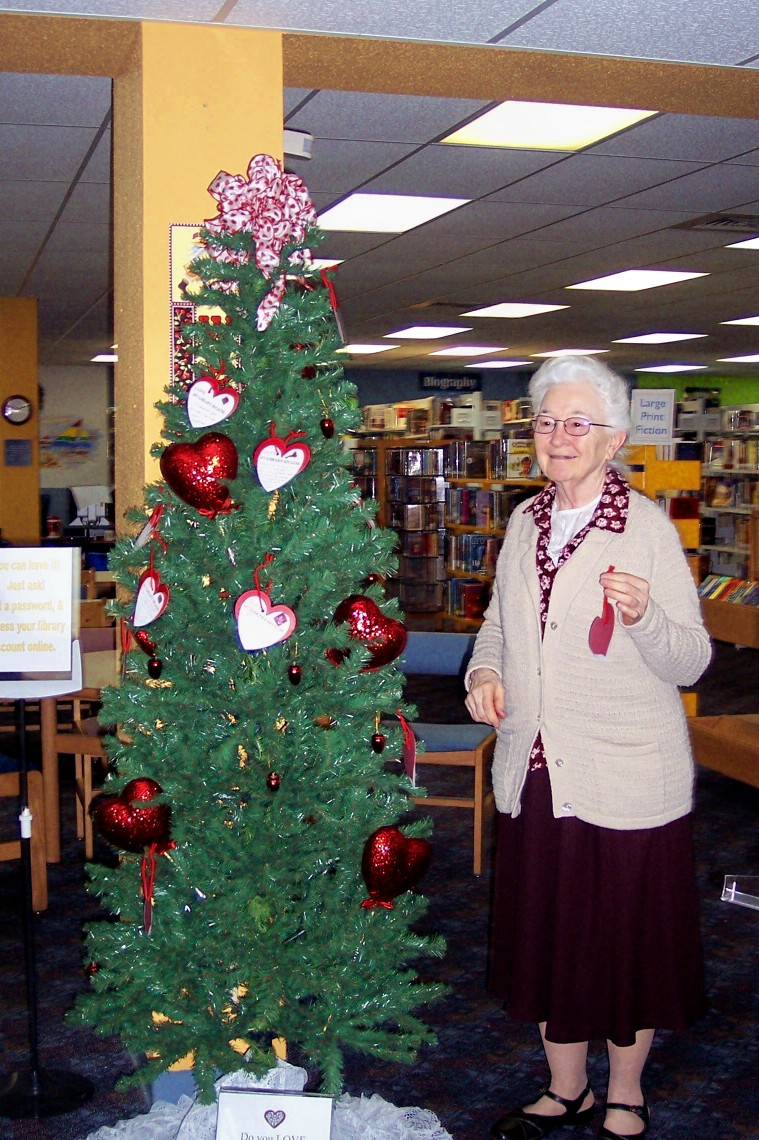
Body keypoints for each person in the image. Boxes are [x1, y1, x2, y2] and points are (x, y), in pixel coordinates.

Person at [464, 355, 711, 1140]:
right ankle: (564, 1086)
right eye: (545, 421)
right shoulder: (521, 523)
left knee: (621, 941)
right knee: (549, 936)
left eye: (577, 423)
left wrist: (643, 618)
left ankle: (625, 1092)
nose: (558, 436)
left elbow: (691, 661)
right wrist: (484, 671)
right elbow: (498, 625)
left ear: (612, 440)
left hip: (625, 771)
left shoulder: (645, 529)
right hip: (535, 771)